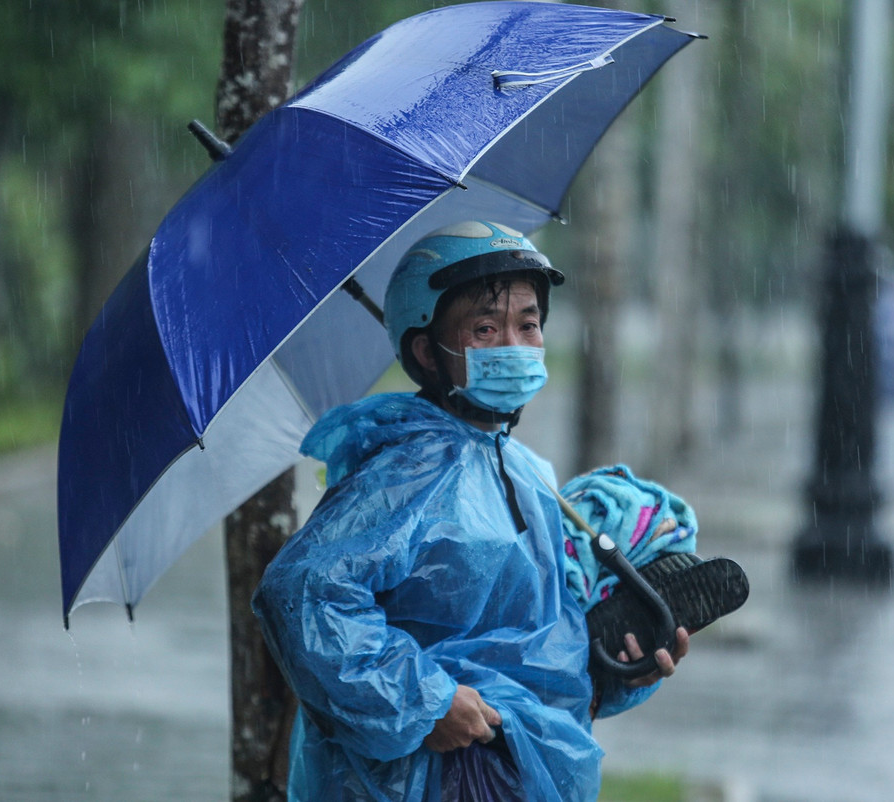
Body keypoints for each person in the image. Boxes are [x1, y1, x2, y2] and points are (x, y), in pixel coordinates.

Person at [252, 220, 689, 801]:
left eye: (528, 324)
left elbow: (537, 650)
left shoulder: (527, 471)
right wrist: (424, 703)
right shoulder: (407, 470)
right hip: (417, 782)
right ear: (426, 352)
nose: (513, 345)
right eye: (485, 328)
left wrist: (620, 670)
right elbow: (303, 593)